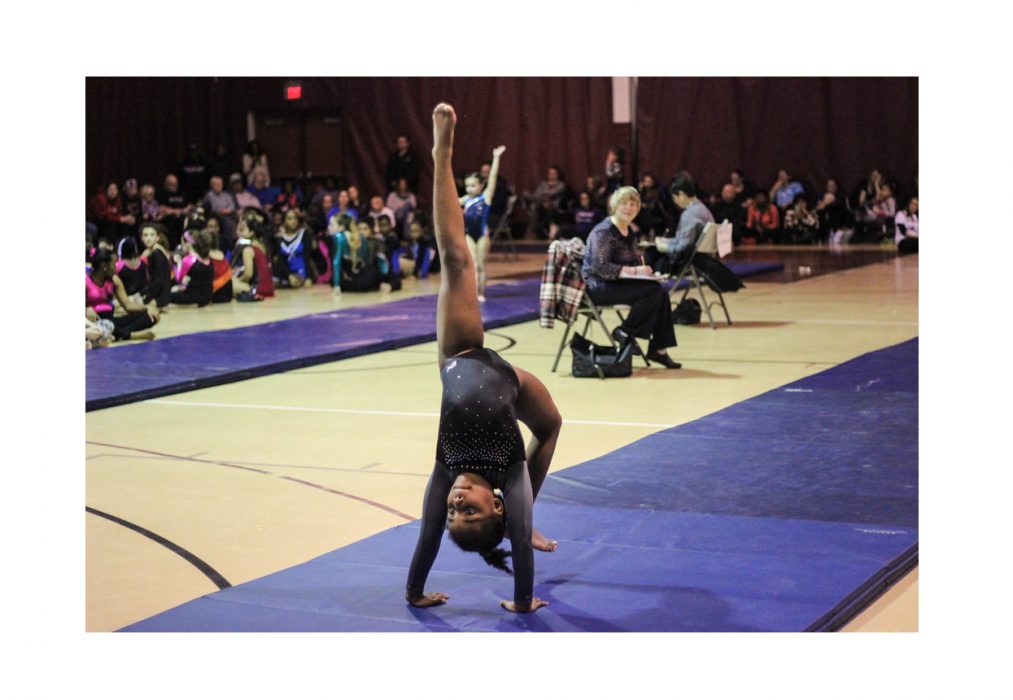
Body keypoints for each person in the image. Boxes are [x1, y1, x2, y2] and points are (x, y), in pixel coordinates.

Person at [406, 103, 561, 614]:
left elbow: (426, 538)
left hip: (461, 354)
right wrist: (522, 602)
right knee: (553, 423)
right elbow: (516, 543)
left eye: (453, 515)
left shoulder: (445, 471)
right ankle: (531, 510)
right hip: (510, 381)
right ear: (494, 504)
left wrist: (415, 593)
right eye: (468, 514)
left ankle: (441, 153)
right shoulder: (510, 477)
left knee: (456, 257)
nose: (454, 507)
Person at [582, 185, 681, 369]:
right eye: (624, 203)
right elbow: (601, 267)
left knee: (660, 292)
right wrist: (636, 272)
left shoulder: (629, 231)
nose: (629, 207)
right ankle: (625, 332)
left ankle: (658, 349)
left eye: (633, 204)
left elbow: (634, 260)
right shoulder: (603, 231)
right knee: (653, 293)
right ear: (614, 205)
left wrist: (647, 272)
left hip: (617, 282)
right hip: (597, 286)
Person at [460, 144, 505, 302]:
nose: (469, 189)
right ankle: (472, 292)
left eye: (473, 185)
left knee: (481, 264)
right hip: (469, 234)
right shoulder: (465, 200)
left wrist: (496, 158)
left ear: (481, 185)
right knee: (472, 264)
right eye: (467, 186)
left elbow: (492, 178)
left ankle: (481, 292)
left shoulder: (485, 197)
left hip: (482, 234)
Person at [86, 248, 160, 342]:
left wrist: (147, 308)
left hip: (111, 321)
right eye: (114, 264)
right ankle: (129, 335)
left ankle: (114, 334)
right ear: (104, 266)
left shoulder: (114, 280)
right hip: (94, 321)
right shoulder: (85, 281)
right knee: (97, 327)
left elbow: (128, 305)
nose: (117, 267)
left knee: (149, 317)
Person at [667, 171, 715, 259]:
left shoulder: (689, 214)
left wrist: (664, 247)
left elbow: (683, 248)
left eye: (674, 198)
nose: (675, 202)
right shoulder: (703, 208)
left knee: (651, 253)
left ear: (681, 194)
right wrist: (669, 242)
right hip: (706, 259)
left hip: (695, 261)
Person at [232, 210, 275, 299]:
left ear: (251, 232)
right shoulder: (263, 246)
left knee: (228, 284)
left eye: (242, 229)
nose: (239, 232)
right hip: (270, 289)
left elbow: (248, 274)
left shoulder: (248, 249)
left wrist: (238, 281)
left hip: (258, 290)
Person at [169, 230, 214, 307]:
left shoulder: (189, 259)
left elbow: (179, 280)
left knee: (166, 296)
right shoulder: (206, 258)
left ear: (188, 244)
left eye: (183, 243)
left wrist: (178, 263)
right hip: (208, 297)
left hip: (194, 297)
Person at [273, 210, 316, 288]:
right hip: (285, 272)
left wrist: (308, 277)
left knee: (296, 284)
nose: (293, 221)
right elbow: (281, 259)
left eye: (295, 218)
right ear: (284, 221)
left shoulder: (304, 234)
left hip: (301, 271)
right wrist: (289, 275)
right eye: (289, 219)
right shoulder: (280, 237)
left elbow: (307, 256)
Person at [139, 222, 173, 308]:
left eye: (152, 235)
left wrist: (146, 297)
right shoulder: (153, 252)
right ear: (141, 238)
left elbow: (159, 281)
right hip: (158, 295)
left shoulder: (157, 253)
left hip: (159, 298)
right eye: (145, 235)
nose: (148, 238)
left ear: (157, 237)